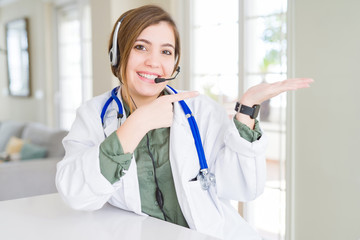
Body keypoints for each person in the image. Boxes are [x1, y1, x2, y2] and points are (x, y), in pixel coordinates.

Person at [56, 5, 313, 240]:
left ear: (175, 63)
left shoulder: (200, 111)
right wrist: (136, 125)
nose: (154, 62)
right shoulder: (92, 115)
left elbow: (244, 187)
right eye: (140, 47)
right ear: (117, 53)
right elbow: (76, 194)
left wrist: (246, 111)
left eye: (166, 51)